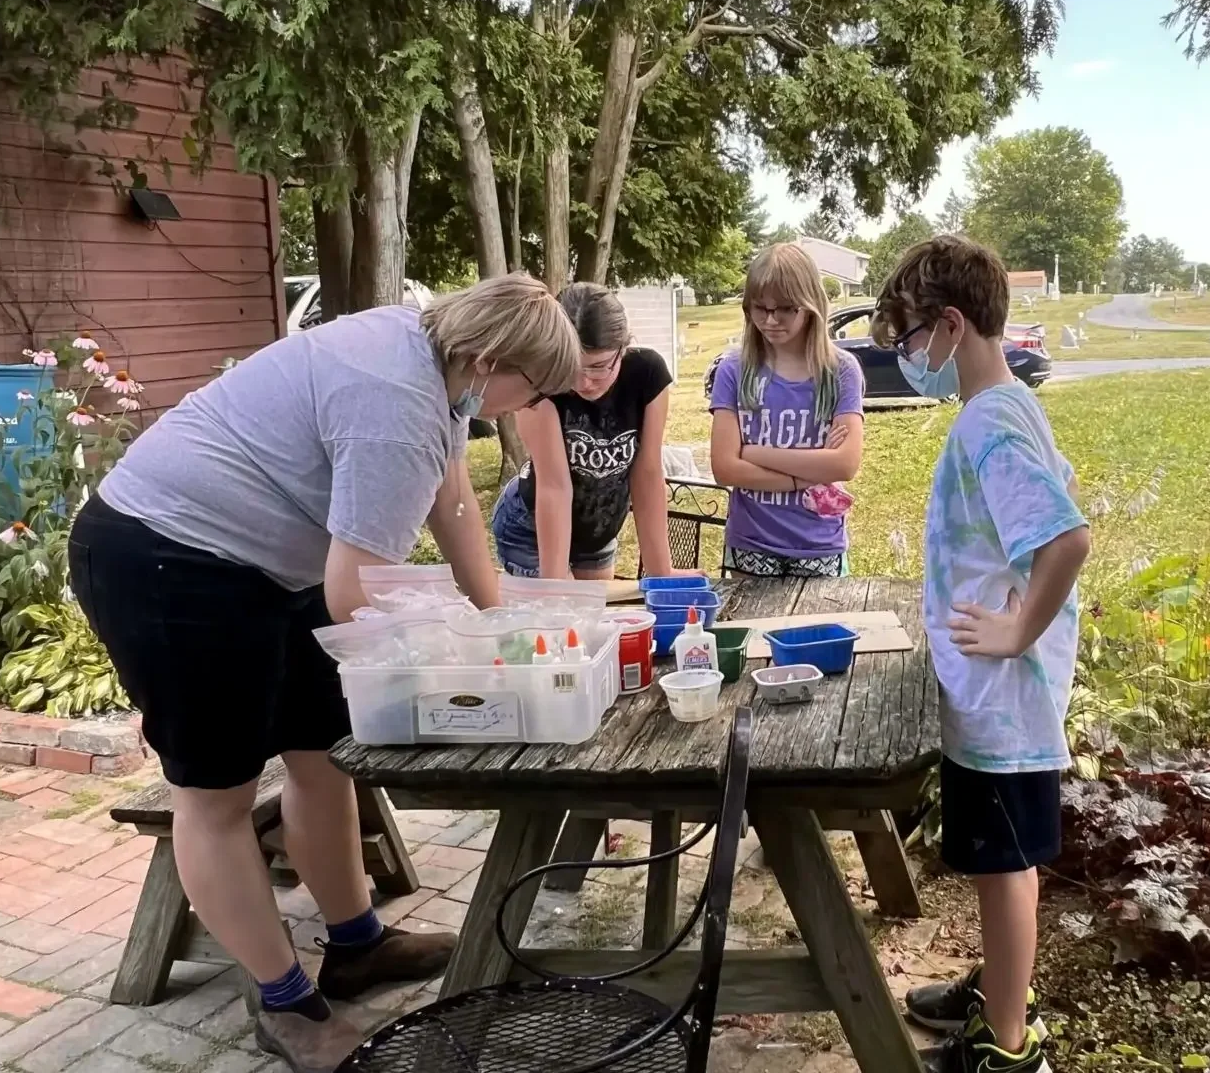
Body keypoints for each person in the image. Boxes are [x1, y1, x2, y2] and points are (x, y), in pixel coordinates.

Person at [67, 273, 580, 1073]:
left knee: (322, 755)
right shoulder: (397, 403)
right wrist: (455, 671)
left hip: (269, 565)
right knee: (217, 796)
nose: (530, 407)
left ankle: (357, 944)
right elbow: (356, 597)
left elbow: (452, 501)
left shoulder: (437, 362)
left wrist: (499, 622)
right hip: (165, 558)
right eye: (534, 390)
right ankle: (284, 1003)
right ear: (488, 360)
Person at [871, 236, 1091, 1073]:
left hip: (1002, 700)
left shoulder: (989, 419)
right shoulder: (1006, 404)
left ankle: (1006, 1048)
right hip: (999, 696)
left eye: (909, 335)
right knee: (1008, 862)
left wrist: (1017, 631)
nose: (907, 355)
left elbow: (1066, 538)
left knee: (1003, 869)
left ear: (951, 325)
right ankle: (1001, 988)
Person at [492, 282, 677, 579]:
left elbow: (648, 474)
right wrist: (554, 590)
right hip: (532, 530)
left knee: (597, 608)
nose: (583, 382)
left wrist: (662, 575)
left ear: (623, 347)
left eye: (599, 366)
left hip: (597, 533)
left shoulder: (648, 374)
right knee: (562, 606)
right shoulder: (540, 383)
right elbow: (554, 488)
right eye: (571, 366)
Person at [709, 243, 865, 577]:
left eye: (784, 309)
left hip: (819, 546)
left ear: (810, 305)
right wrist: (807, 473)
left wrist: (752, 452)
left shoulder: (841, 370)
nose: (770, 319)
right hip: (749, 544)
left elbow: (845, 464)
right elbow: (724, 468)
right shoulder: (733, 369)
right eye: (759, 308)